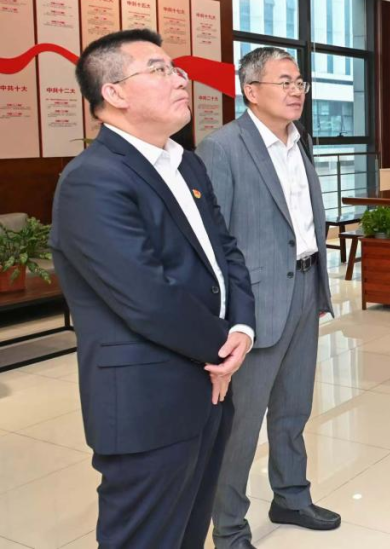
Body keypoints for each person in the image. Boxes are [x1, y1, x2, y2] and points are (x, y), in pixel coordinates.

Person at [50, 28, 256, 549]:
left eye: (176, 68)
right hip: (149, 400)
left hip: (209, 384)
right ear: (113, 93)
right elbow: (147, 297)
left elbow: (225, 252)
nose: (180, 79)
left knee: (188, 532)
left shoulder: (185, 162)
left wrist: (242, 328)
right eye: (159, 70)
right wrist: (222, 350)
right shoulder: (93, 179)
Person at [197, 47, 339, 548]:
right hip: (254, 304)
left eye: (300, 82)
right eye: (285, 82)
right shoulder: (223, 148)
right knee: (241, 423)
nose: (297, 91)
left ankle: (291, 496)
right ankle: (228, 525)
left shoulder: (299, 141)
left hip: (305, 285)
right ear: (251, 91)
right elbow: (212, 243)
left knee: (293, 408)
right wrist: (228, 316)